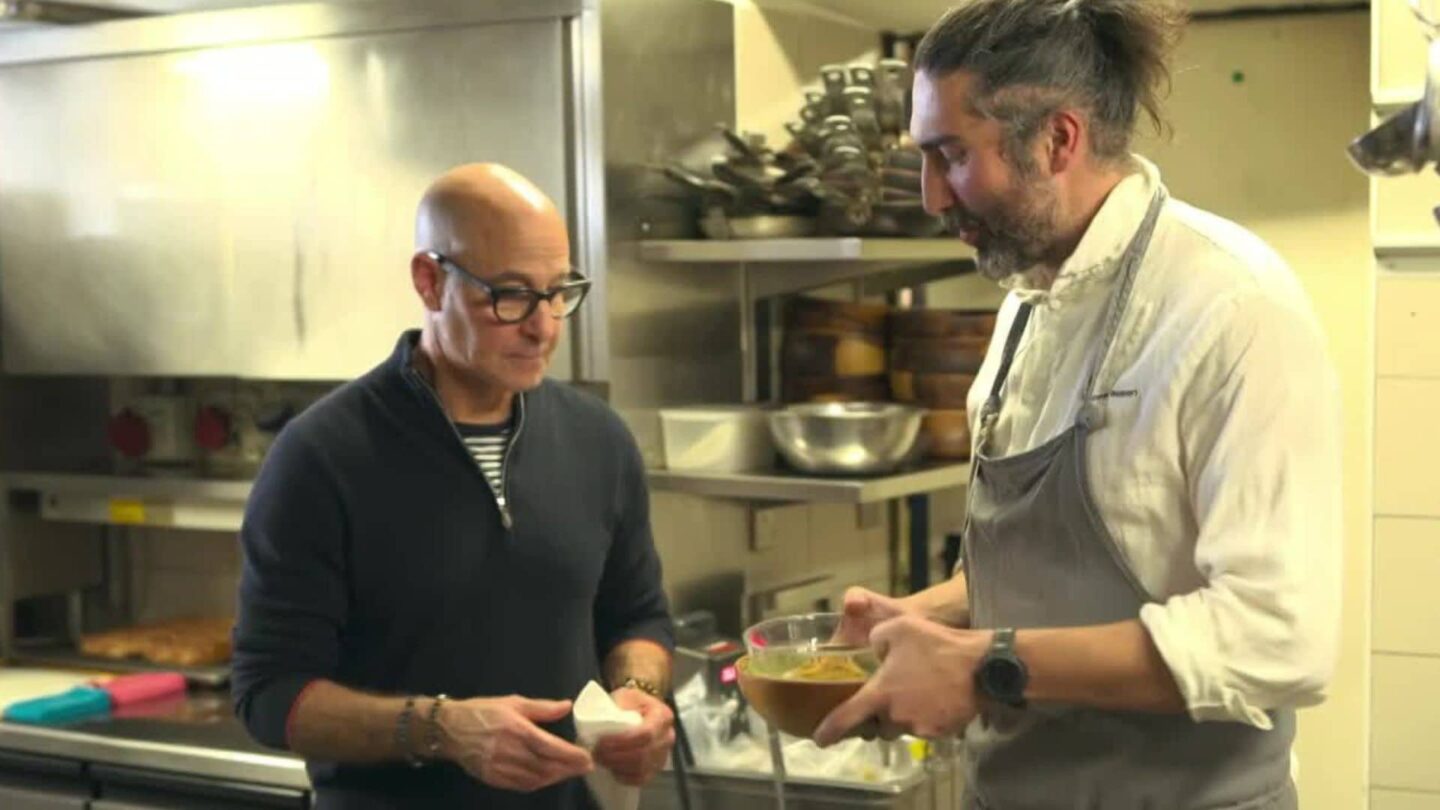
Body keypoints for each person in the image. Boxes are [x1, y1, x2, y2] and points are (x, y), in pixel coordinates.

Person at [815, 2, 1342, 808]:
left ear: (1058, 140)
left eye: (950, 155)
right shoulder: (1029, 303)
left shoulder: (1231, 306)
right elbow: (1060, 567)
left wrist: (982, 664)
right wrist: (915, 623)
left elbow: (1278, 638)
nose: (929, 196)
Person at [232, 163, 675, 810]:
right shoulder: (321, 457)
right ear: (430, 281)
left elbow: (637, 616)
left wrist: (639, 693)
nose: (544, 326)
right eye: (511, 295)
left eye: (558, 292)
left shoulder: (598, 440)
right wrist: (443, 729)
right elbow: (269, 694)